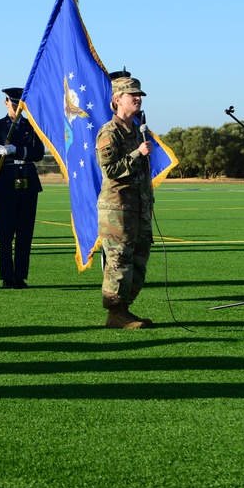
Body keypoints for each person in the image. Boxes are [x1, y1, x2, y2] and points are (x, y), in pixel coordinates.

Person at [97, 75, 155, 329]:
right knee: (119, 260)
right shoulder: (110, 132)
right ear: (118, 99)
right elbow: (109, 170)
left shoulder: (139, 130)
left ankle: (125, 309)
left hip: (138, 207)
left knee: (138, 259)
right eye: (133, 95)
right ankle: (115, 313)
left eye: (139, 95)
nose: (138, 98)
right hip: (117, 209)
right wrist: (136, 153)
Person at [0, 87, 44, 289]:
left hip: (27, 181)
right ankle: (7, 276)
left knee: (25, 233)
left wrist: (17, 150)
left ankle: (20, 276)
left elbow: (37, 153)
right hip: (6, 182)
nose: (17, 107)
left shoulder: (31, 125)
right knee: (6, 233)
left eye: (20, 104)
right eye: (14, 103)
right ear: (6, 103)